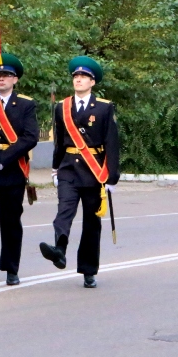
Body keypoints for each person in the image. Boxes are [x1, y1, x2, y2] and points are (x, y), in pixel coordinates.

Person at [39, 56, 120, 288]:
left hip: (94, 172)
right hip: (68, 169)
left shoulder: (104, 108)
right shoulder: (62, 107)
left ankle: (88, 270)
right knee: (63, 211)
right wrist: (55, 170)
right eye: (76, 76)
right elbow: (60, 143)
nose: (79, 79)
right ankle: (59, 250)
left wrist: (112, 176)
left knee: (91, 223)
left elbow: (112, 144)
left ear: (92, 82)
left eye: (83, 77)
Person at [0, 54, 38, 286]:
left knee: (11, 222)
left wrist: (3, 159)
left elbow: (30, 137)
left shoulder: (25, 104)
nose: (1, 79)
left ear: (15, 80)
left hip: (12, 169)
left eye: (5, 75)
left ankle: (11, 269)